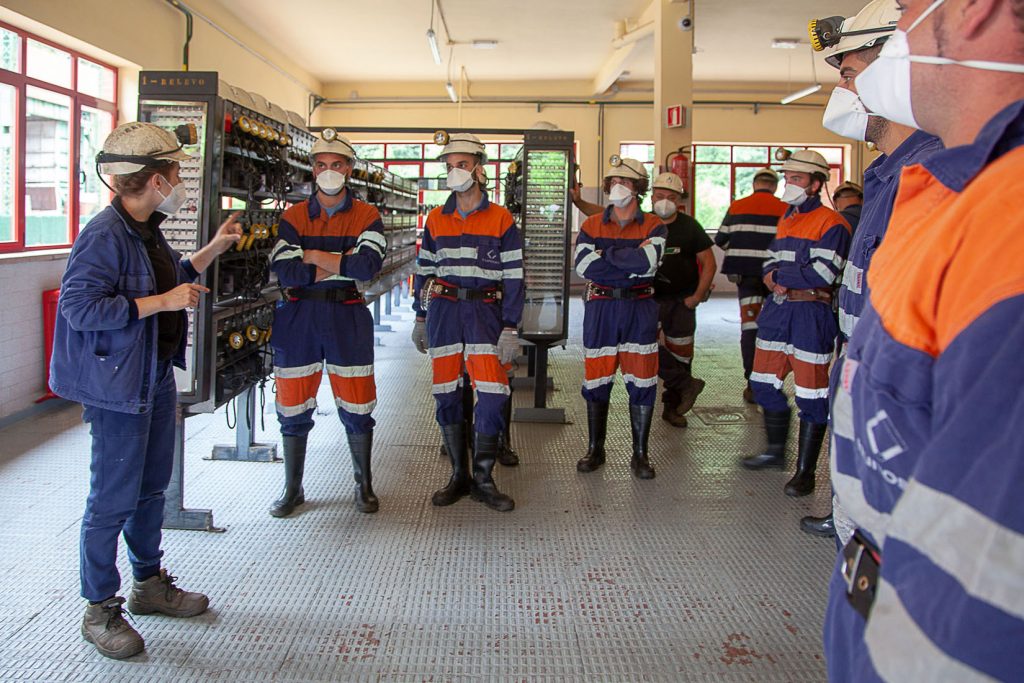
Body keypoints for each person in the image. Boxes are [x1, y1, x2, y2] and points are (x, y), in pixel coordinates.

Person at [823, 0, 1024, 678]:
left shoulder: (1007, 225)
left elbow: (990, 588)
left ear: (975, 10)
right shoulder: (942, 188)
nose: (900, 32)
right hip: (881, 603)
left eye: (906, 9)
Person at [49, 121, 243, 659]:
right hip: (116, 387)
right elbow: (80, 309)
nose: (181, 180)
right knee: (111, 499)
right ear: (156, 179)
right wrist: (162, 304)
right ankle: (99, 609)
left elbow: (173, 275)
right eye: (177, 171)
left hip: (152, 377)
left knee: (151, 488)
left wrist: (214, 248)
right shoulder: (103, 236)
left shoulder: (146, 228)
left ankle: (149, 585)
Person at [800, 0, 943, 539]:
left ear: (897, 73)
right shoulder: (887, 175)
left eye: (851, 74)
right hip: (864, 385)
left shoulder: (928, 176)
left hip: (896, 409)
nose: (843, 94)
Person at [268, 129, 386, 517]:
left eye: (336, 165)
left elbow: (366, 267)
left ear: (349, 170)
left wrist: (313, 255)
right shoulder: (293, 216)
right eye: (321, 165)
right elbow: (285, 272)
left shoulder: (368, 215)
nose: (328, 172)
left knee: (357, 401)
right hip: (299, 316)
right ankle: (292, 488)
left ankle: (363, 485)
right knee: (292, 403)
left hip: (346, 314)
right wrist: (337, 260)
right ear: (312, 168)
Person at [411, 132, 524, 512]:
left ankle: (484, 478)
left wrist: (510, 326)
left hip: (485, 313)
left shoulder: (501, 218)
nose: (454, 172)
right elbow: (424, 271)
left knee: (492, 394)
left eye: (461, 165)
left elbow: (515, 277)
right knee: (446, 393)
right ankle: (458, 475)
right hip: (444, 311)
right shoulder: (436, 219)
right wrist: (420, 316)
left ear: (479, 168)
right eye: (449, 166)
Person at [741, 150, 851, 499]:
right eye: (787, 178)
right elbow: (770, 262)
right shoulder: (787, 217)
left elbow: (822, 272)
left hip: (810, 315)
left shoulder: (832, 224)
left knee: (812, 394)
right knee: (761, 384)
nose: (789, 184)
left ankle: (804, 472)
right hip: (777, 311)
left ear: (817, 184)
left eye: (797, 179)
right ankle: (775, 451)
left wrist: (781, 276)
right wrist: (777, 276)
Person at [574, 157, 667, 479]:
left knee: (642, 380)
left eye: (625, 182)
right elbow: (584, 267)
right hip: (600, 309)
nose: (617, 187)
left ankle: (640, 455)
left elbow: (649, 264)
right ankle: (595, 449)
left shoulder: (654, 224)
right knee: (596, 378)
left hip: (639, 309)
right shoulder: (591, 224)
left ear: (639, 188)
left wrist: (605, 255)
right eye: (613, 181)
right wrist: (629, 259)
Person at [714, 168, 788, 404]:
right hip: (777, 280)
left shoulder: (737, 206)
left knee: (750, 328)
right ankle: (771, 382)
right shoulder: (785, 208)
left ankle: (751, 383)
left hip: (747, 278)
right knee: (776, 329)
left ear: (755, 184)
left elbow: (720, 240)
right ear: (774, 187)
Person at [649, 172, 715, 428]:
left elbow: (709, 263)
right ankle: (686, 384)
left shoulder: (689, 227)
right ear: (652, 196)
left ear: (679, 200)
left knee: (682, 355)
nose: (665, 201)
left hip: (681, 302)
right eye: (660, 196)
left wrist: (696, 297)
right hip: (648, 300)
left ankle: (673, 407)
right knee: (643, 346)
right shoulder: (642, 223)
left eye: (671, 197)